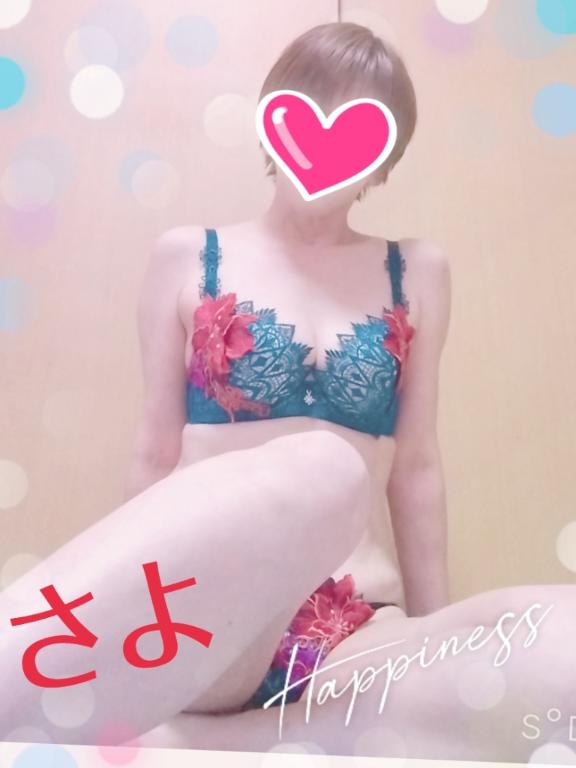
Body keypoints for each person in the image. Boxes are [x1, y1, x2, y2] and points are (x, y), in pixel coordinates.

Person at [1, 22, 574, 764]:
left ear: (387, 154)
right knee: (321, 472)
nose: (329, 140)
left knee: (561, 648)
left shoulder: (418, 272)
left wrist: (436, 636)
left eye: (359, 123)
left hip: (352, 630)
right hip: (204, 619)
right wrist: (125, 611)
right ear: (275, 118)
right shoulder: (189, 256)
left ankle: (212, 740)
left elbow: (416, 469)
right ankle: (165, 711)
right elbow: (154, 453)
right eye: (313, 106)